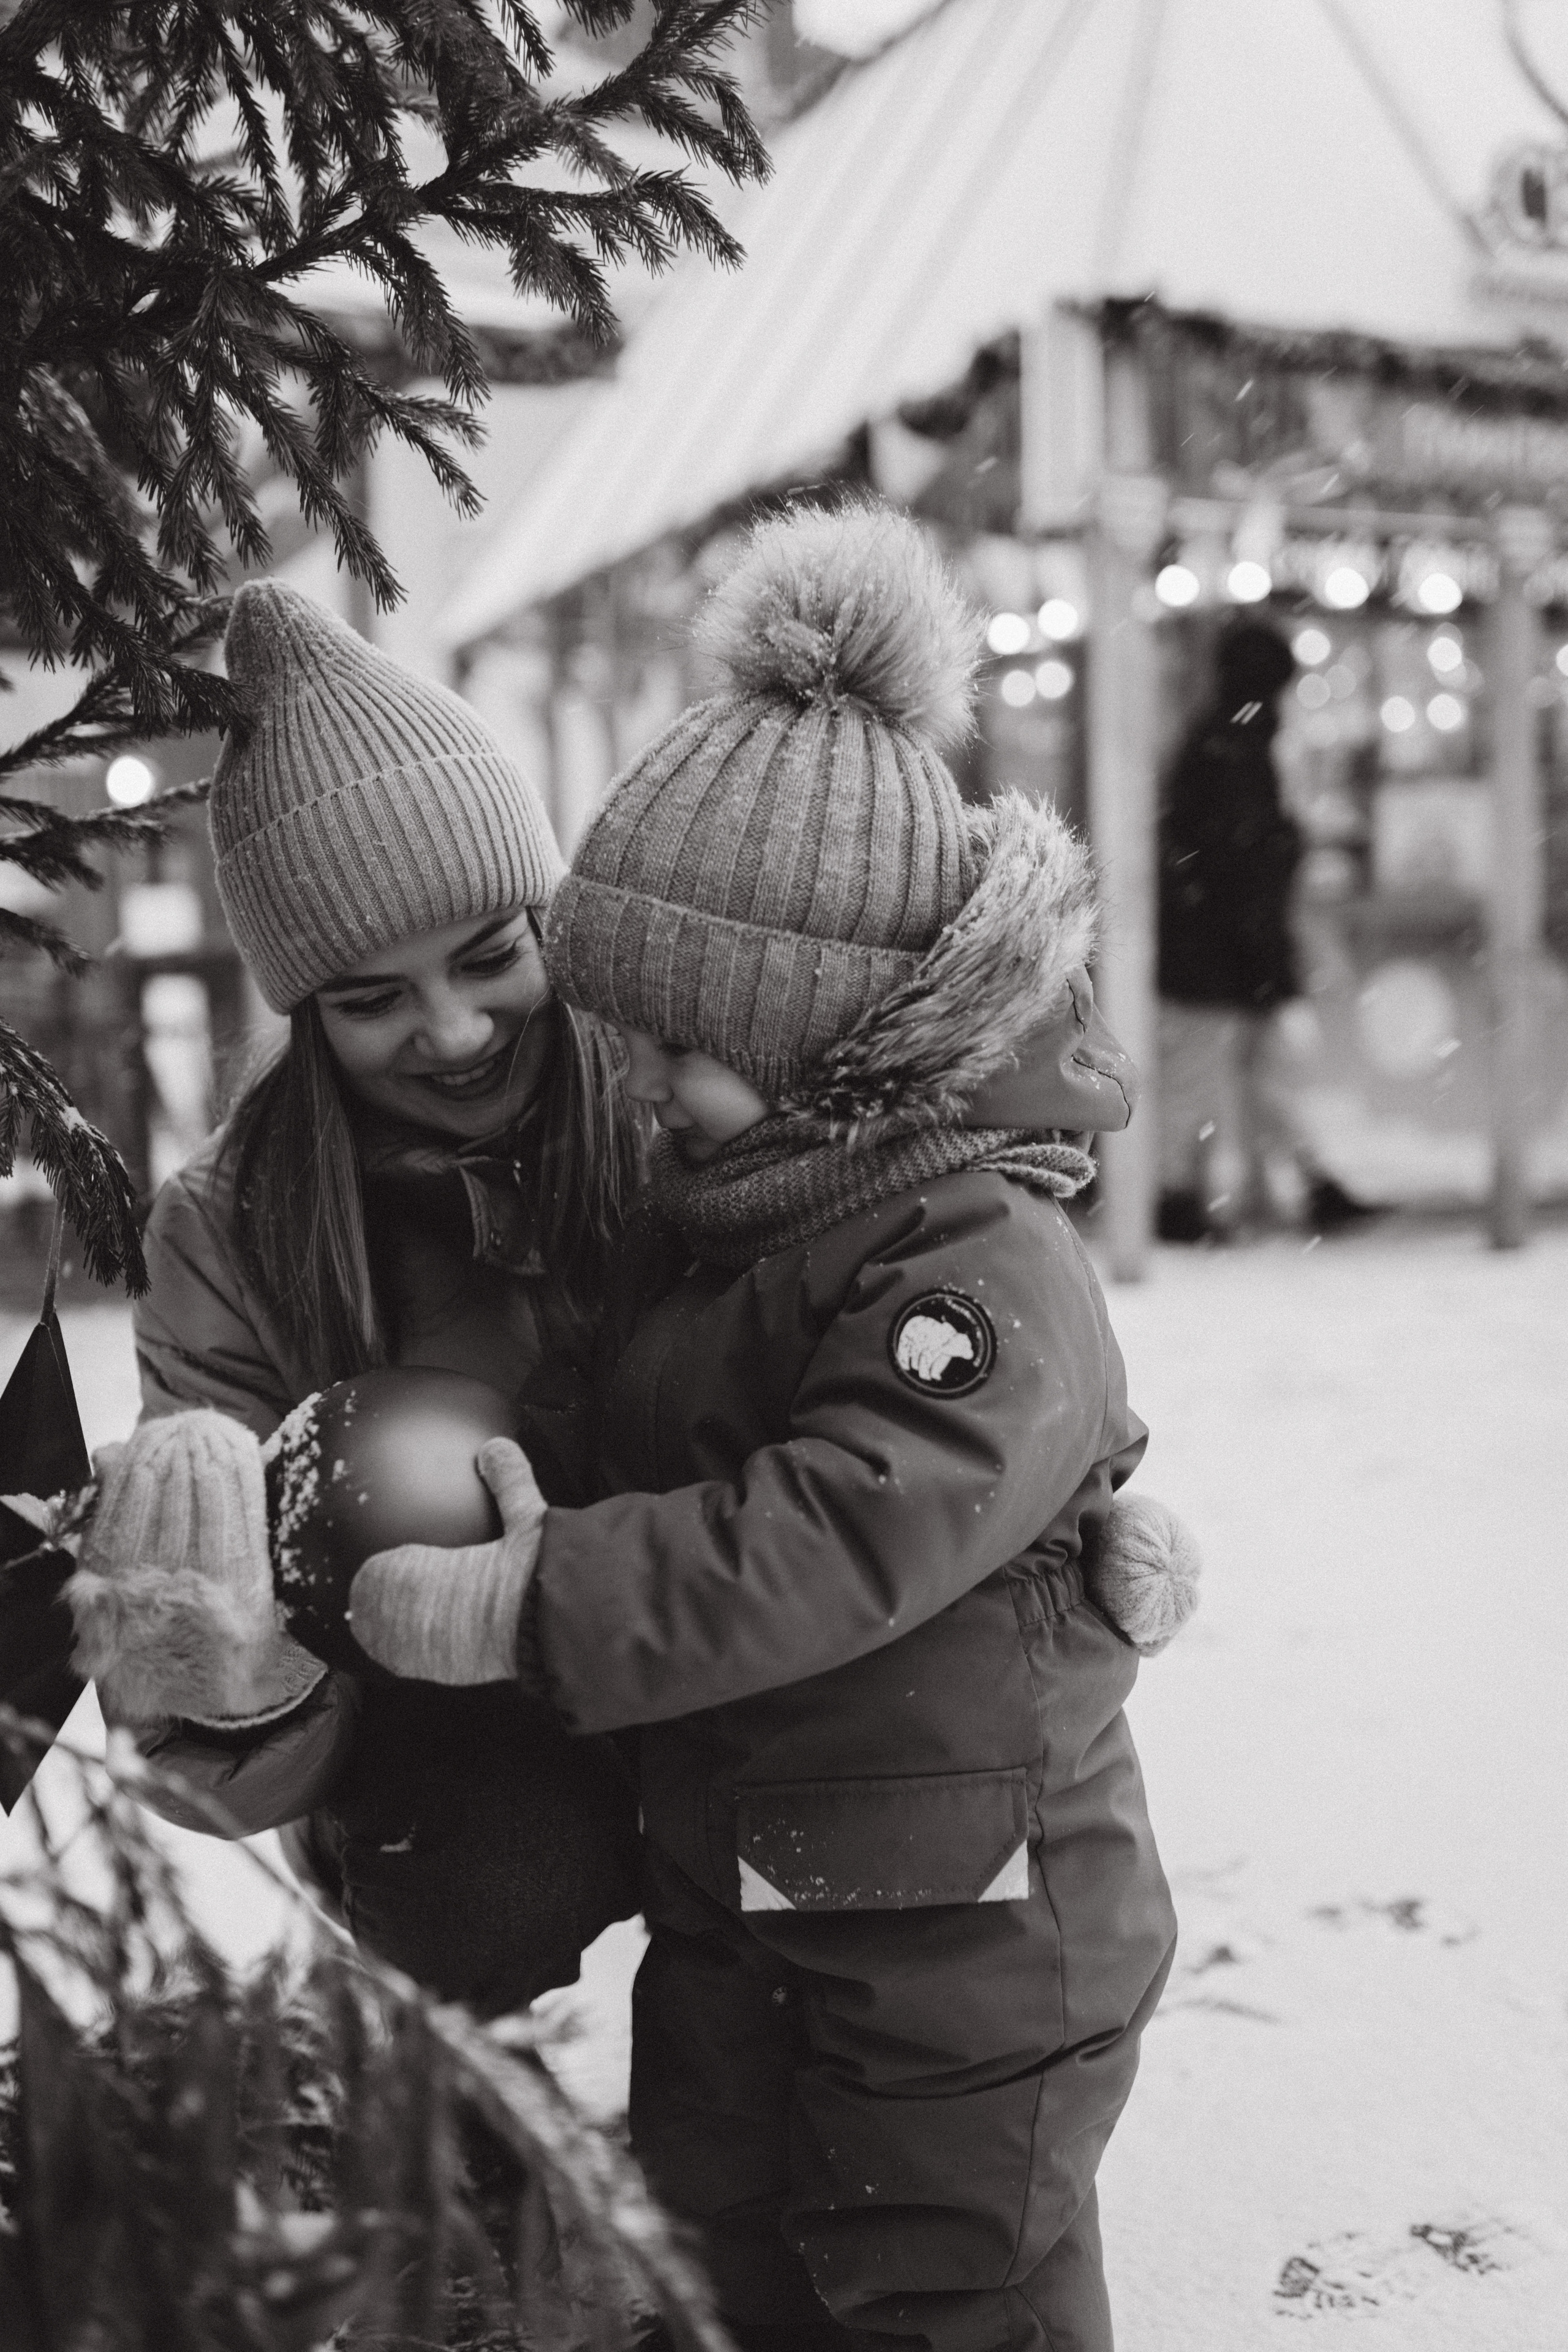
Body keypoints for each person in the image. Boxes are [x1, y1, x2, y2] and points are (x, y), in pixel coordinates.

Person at [348, 505, 1185, 2351]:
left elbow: (839, 1524)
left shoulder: (976, 1248)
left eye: (679, 1042)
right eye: (622, 1026)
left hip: (960, 1928)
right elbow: (649, 1423)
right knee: (723, 2239)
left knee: (943, 2279)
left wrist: (536, 1600)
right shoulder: (734, 1213)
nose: (630, 1079)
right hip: (759, 1881)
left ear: (827, 1040)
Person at [70, 579, 642, 2016]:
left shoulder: (668, 1098)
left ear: (545, 921)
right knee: (475, 1876)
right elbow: (191, 1750)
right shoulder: (235, 1228)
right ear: (302, 1010)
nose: (450, 1031)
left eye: (487, 957)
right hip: (450, 1729)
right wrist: (230, 1668)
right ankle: (448, 2077)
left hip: (713, 1628)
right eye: (371, 996)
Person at [1156, 617, 1373, 1240]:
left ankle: (1193, 1195)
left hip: (1213, 946)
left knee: (1219, 1076)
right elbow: (1242, 858)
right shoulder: (1238, 746)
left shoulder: (1218, 739)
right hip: (1228, 947)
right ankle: (1203, 1195)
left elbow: (1217, 855)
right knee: (1242, 1074)